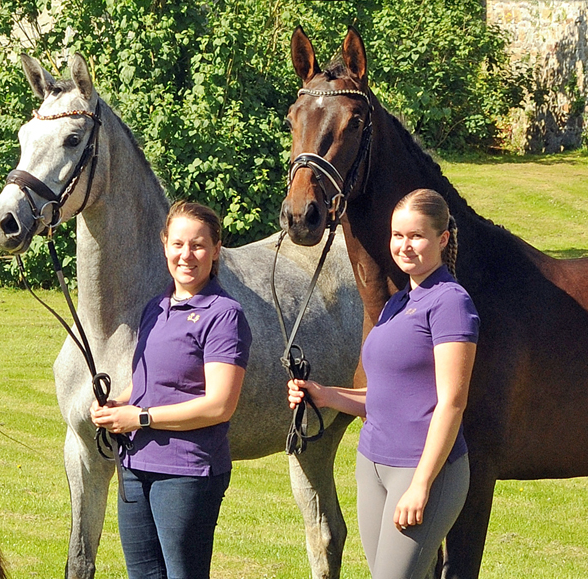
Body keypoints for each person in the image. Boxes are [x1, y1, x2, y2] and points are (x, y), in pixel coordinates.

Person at [288, 188, 479, 578]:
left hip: (423, 468)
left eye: (416, 236)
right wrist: (324, 394)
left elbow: (452, 403)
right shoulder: (397, 303)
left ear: (442, 239)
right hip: (372, 465)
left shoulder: (450, 303)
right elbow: (385, 396)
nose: (404, 246)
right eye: (397, 235)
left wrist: (422, 484)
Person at [91, 200, 252, 579]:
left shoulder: (223, 315)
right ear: (164, 244)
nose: (187, 255)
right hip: (135, 464)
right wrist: (121, 405)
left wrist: (141, 417)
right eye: (178, 244)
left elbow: (218, 406)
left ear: (215, 250)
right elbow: (151, 383)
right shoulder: (155, 307)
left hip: (187, 470)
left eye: (198, 245)